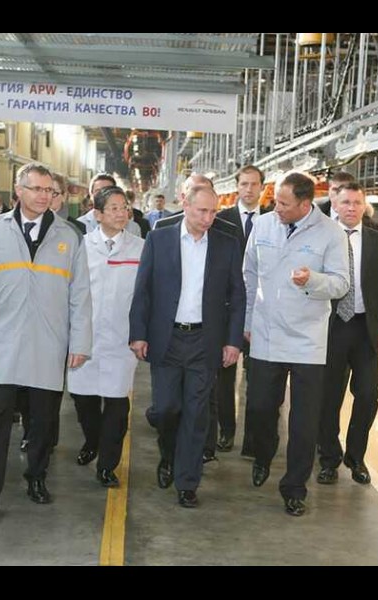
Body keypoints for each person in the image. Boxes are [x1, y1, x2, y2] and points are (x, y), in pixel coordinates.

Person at [0, 162, 92, 512]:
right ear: (18, 190)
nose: (43, 196)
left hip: (50, 339)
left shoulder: (69, 235)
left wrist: (80, 343)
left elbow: (81, 294)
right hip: (5, 337)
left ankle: (36, 476)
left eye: (49, 190)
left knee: (43, 416)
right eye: (36, 188)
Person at [129, 184, 245, 508]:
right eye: (202, 211)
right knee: (166, 409)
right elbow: (143, 290)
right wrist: (138, 333)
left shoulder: (227, 244)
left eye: (213, 212)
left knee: (196, 414)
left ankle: (187, 481)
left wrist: (233, 341)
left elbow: (237, 296)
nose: (208, 218)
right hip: (166, 339)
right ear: (186, 206)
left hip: (204, 341)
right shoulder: (159, 239)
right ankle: (168, 454)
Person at [245, 172, 349, 517]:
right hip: (266, 332)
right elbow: (249, 275)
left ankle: (294, 488)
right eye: (276, 201)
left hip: (308, 338)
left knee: (304, 422)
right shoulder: (263, 225)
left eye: (284, 204)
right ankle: (263, 454)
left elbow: (341, 284)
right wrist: (246, 321)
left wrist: (312, 280)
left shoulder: (331, 234)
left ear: (305, 205)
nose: (276, 208)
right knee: (260, 407)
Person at [316, 183, 378, 486]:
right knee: (328, 397)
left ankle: (356, 455)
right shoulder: (322, 238)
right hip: (332, 326)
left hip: (365, 329)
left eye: (357, 202)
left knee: (367, 394)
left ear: (364, 206)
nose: (351, 208)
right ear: (335, 206)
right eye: (345, 202)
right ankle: (328, 458)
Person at [67, 186, 144, 488]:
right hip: (85, 336)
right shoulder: (81, 246)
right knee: (83, 398)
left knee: (117, 404)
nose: (121, 213)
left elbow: (145, 296)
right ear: (97, 214)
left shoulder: (140, 248)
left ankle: (107, 466)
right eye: (113, 208)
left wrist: (141, 334)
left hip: (121, 339)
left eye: (124, 207)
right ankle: (92, 440)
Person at [215, 165, 269, 455]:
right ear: (237, 186)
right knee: (224, 375)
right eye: (244, 184)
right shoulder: (221, 220)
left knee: (257, 379)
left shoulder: (273, 220)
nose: (249, 189)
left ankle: (252, 440)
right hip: (227, 309)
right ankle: (226, 430)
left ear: (262, 187)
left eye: (254, 184)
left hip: (262, 310)